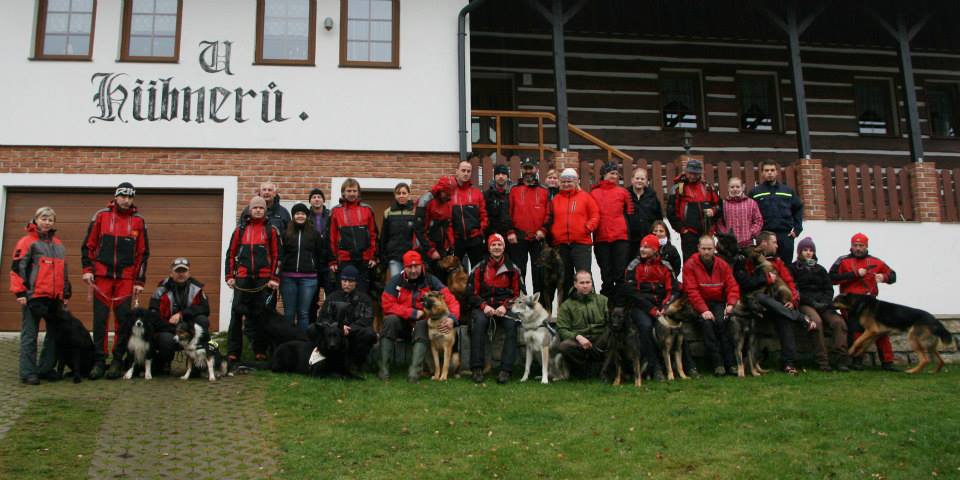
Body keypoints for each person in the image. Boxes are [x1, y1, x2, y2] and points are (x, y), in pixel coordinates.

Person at [82, 182, 150, 380]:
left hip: (125, 279)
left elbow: (143, 254)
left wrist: (139, 281)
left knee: (123, 321)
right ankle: (99, 361)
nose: (126, 200)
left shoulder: (139, 221)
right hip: (101, 277)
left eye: (130, 197)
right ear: (116, 196)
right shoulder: (101, 216)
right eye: (123, 196)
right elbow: (88, 245)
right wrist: (87, 269)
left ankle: (118, 360)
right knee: (100, 320)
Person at [734, 231, 812, 375]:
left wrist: (792, 301)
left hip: (776, 305)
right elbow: (745, 283)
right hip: (754, 303)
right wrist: (765, 279)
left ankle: (789, 364)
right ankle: (799, 317)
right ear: (764, 243)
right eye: (774, 242)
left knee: (784, 318)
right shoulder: (748, 260)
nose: (777, 245)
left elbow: (789, 283)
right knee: (762, 298)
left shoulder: (778, 262)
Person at [379, 250, 460, 382]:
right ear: (404, 267)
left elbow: (451, 300)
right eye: (409, 267)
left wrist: (452, 319)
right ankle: (384, 370)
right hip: (403, 323)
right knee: (389, 320)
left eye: (416, 266)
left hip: (422, 326)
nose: (413, 270)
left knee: (422, 324)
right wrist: (411, 313)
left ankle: (414, 373)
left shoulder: (431, 280)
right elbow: (387, 304)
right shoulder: (395, 282)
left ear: (421, 265)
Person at [11, 207, 71, 384]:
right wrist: (20, 292)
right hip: (33, 296)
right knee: (30, 335)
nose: (47, 222)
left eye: (50, 219)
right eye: (43, 218)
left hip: (54, 298)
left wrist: (66, 292)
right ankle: (28, 372)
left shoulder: (58, 245)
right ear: (36, 219)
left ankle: (45, 369)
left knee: (53, 335)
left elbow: (63, 271)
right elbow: (17, 268)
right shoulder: (27, 242)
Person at [829, 233, 897, 371]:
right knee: (856, 331)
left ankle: (888, 362)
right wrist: (854, 274)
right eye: (855, 245)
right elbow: (831, 278)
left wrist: (884, 277)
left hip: (871, 303)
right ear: (851, 246)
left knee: (881, 331)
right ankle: (857, 360)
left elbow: (893, 275)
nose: (858, 248)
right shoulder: (842, 261)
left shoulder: (876, 261)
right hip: (852, 304)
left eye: (861, 246)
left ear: (866, 246)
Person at [225, 195, 281, 363]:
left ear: (265, 210)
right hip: (242, 279)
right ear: (250, 210)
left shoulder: (271, 230)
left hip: (263, 280)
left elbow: (277, 256)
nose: (258, 210)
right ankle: (233, 351)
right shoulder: (240, 230)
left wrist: (274, 278)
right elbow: (231, 254)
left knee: (261, 316)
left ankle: (260, 350)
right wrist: (229, 276)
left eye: (261, 208)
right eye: (255, 207)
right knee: (236, 316)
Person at [466, 234, 522, 384]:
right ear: (489, 248)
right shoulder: (479, 268)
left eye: (499, 245)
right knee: (479, 324)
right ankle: (477, 368)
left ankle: (506, 370)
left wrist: (505, 306)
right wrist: (484, 306)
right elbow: (471, 293)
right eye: (493, 245)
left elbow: (517, 294)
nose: (496, 248)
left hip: (504, 307)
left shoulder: (514, 269)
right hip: (483, 306)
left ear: (504, 247)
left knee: (512, 326)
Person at [682, 235, 739, 376]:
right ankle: (717, 364)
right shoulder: (690, 265)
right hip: (699, 303)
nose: (707, 252)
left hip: (718, 302)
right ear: (698, 249)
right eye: (704, 249)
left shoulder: (722, 264)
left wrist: (731, 303)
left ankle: (731, 363)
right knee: (707, 324)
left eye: (709, 249)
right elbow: (691, 291)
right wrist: (704, 310)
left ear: (714, 249)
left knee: (722, 323)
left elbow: (732, 286)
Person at [789, 237, 849, 372]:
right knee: (816, 322)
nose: (808, 253)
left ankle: (841, 360)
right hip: (805, 303)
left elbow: (828, 288)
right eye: (805, 250)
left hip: (824, 303)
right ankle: (822, 361)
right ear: (799, 252)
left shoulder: (820, 269)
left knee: (839, 322)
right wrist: (812, 302)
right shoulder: (793, 268)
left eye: (811, 250)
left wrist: (826, 302)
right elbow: (794, 289)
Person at [623, 234, 675, 382]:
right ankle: (655, 366)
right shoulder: (633, 265)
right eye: (642, 246)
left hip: (662, 306)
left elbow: (673, 289)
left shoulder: (665, 266)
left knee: (673, 326)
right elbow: (632, 293)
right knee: (645, 327)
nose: (643, 249)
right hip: (640, 307)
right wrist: (652, 310)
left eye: (647, 247)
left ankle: (685, 366)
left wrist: (665, 306)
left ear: (655, 249)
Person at [149, 257, 210, 374]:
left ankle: (199, 363)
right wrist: (175, 330)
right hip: (168, 329)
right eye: (178, 271)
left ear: (189, 273)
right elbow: (153, 316)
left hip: (190, 331)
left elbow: (205, 309)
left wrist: (182, 314)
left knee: (203, 320)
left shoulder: (197, 288)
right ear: (171, 273)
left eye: (184, 271)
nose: (181, 274)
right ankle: (164, 363)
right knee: (165, 339)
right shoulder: (160, 290)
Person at [316, 265, 377, 379]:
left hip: (354, 333)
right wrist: (338, 328)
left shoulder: (365, 299)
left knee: (369, 334)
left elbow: (367, 319)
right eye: (344, 281)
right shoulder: (332, 297)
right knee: (312, 329)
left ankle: (356, 364)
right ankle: (324, 362)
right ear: (341, 281)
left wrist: (350, 328)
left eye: (350, 281)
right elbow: (323, 318)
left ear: (356, 282)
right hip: (334, 335)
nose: (347, 284)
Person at [548, 168, 599, 297]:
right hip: (561, 244)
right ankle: (568, 310)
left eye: (569, 181)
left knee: (584, 276)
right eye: (564, 181)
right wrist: (554, 233)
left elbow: (595, 215)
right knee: (565, 278)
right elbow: (550, 218)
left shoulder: (586, 197)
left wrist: (587, 228)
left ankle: (590, 306)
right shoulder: (556, 200)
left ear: (576, 181)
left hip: (581, 243)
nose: (566, 184)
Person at [507, 158, 551, 300]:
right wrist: (510, 232)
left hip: (538, 238)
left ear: (536, 170)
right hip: (518, 238)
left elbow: (549, 213)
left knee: (539, 273)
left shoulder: (544, 191)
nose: (528, 172)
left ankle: (540, 305)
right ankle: (521, 303)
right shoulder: (513, 190)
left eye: (530, 168)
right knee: (519, 272)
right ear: (522, 170)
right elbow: (507, 212)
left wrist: (543, 230)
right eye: (525, 169)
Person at [590, 162, 634, 297]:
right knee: (606, 273)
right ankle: (607, 303)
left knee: (620, 273)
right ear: (603, 175)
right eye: (611, 173)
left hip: (620, 238)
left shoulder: (623, 192)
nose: (614, 176)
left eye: (616, 174)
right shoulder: (594, 193)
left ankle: (620, 304)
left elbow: (630, 213)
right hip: (601, 237)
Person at [328, 178, 378, 294]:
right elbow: (331, 237)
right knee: (343, 294)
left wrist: (373, 256)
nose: (352, 194)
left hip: (364, 260)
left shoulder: (367, 209)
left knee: (362, 293)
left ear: (358, 192)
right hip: (344, 260)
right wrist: (332, 261)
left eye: (354, 191)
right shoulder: (336, 211)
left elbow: (373, 234)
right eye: (349, 191)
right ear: (343, 193)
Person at [749, 160, 803, 265]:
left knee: (786, 267)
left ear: (777, 172)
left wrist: (797, 229)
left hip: (785, 235)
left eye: (772, 170)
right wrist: (754, 233)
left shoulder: (787, 191)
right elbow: (749, 213)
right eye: (767, 170)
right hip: (765, 235)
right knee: (765, 266)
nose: (770, 173)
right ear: (762, 173)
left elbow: (798, 208)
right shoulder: (755, 192)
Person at [555, 271, 608, 377]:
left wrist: (605, 336)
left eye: (588, 282)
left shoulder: (603, 300)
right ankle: (586, 371)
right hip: (580, 342)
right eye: (582, 283)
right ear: (575, 284)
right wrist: (577, 337)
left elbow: (611, 322)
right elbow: (562, 329)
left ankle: (602, 369)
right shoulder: (566, 305)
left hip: (600, 340)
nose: (585, 286)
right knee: (564, 346)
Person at [667, 159, 720, 264]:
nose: (693, 176)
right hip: (688, 234)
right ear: (686, 172)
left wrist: (713, 211)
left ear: (700, 174)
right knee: (690, 264)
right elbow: (671, 212)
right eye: (690, 173)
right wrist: (682, 230)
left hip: (706, 233)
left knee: (708, 262)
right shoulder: (678, 188)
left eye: (696, 174)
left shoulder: (708, 187)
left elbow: (719, 206)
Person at [280, 203, 322, 331]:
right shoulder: (285, 233)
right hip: (288, 278)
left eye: (302, 214)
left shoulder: (314, 234)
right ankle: (288, 342)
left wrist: (315, 269)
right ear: (293, 216)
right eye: (297, 213)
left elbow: (319, 254)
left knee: (303, 314)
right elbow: (281, 254)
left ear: (307, 216)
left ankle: (302, 343)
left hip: (309, 279)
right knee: (289, 313)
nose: (300, 216)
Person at [415, 176, 456, 279]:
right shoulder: (425, 201)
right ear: (440, 190)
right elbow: (419, 230)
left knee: (442, 279)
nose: (448, 196)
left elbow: (448, 226)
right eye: (446, 194)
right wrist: (431, 250)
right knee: (427, 279)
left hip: (441, 248)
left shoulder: (447, 202)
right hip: (426, 248)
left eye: (450, 194)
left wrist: (450, 244)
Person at [451, 159, 489, 269]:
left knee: (478, 271)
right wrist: (451, 238)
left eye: (468, 171)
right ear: (457, 171)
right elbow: (446, 218)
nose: (466, 173)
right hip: (457, 240)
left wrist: (480, 232)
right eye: (463, 170)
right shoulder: (450, 193)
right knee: (455, 272)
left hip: (474, 239)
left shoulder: (477, 193)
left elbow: (484, 215)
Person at [380, 182, 417, 279]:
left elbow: (418, 234)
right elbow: (384, 236)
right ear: (395, 195)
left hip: (410, 256)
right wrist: (383, 254)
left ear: (408, 194)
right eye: (398, 193)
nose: (401, 195)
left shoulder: (414, 211)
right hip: (394, 256)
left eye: (404, 193)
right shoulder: (388, 212)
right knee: (396, 283)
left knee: (409, 283)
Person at [626, 168, 664, 260]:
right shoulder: (625, 195)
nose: (639, 181)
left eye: (642, 179)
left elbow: (659, 217)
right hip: (629, 240)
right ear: (632, 180)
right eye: (637, 178)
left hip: (648, 239)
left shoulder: (652, 196)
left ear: (646, 181)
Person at [716, 177, 764, 248]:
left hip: (747, 243)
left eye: (737, 187)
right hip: (729, 244)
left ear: (742, 188)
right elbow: (719, 222)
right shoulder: (724, 204)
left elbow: (758, 220)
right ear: (728, 188)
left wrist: (751, 232)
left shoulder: (751, 203)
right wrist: (725, 233)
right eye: (732, 187)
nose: (735, 189)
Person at [308, 187, 334, 302]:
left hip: (328, 263)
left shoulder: (331, 216)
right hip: (312, 263)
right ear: (310, 201)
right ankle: (313, 320)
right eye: (314, 197)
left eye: (319, 197)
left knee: (331, 295)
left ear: (323, 200)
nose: (316, 199)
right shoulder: (306, 217)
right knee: (312, 298)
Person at [484, 164, 513, 238]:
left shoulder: (513, 194)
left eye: (503, 174)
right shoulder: (487, 195)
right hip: (492, 235)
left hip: (510, 235)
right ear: (494, 176)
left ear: (507, 176)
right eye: (498, 174)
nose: (501, 176)